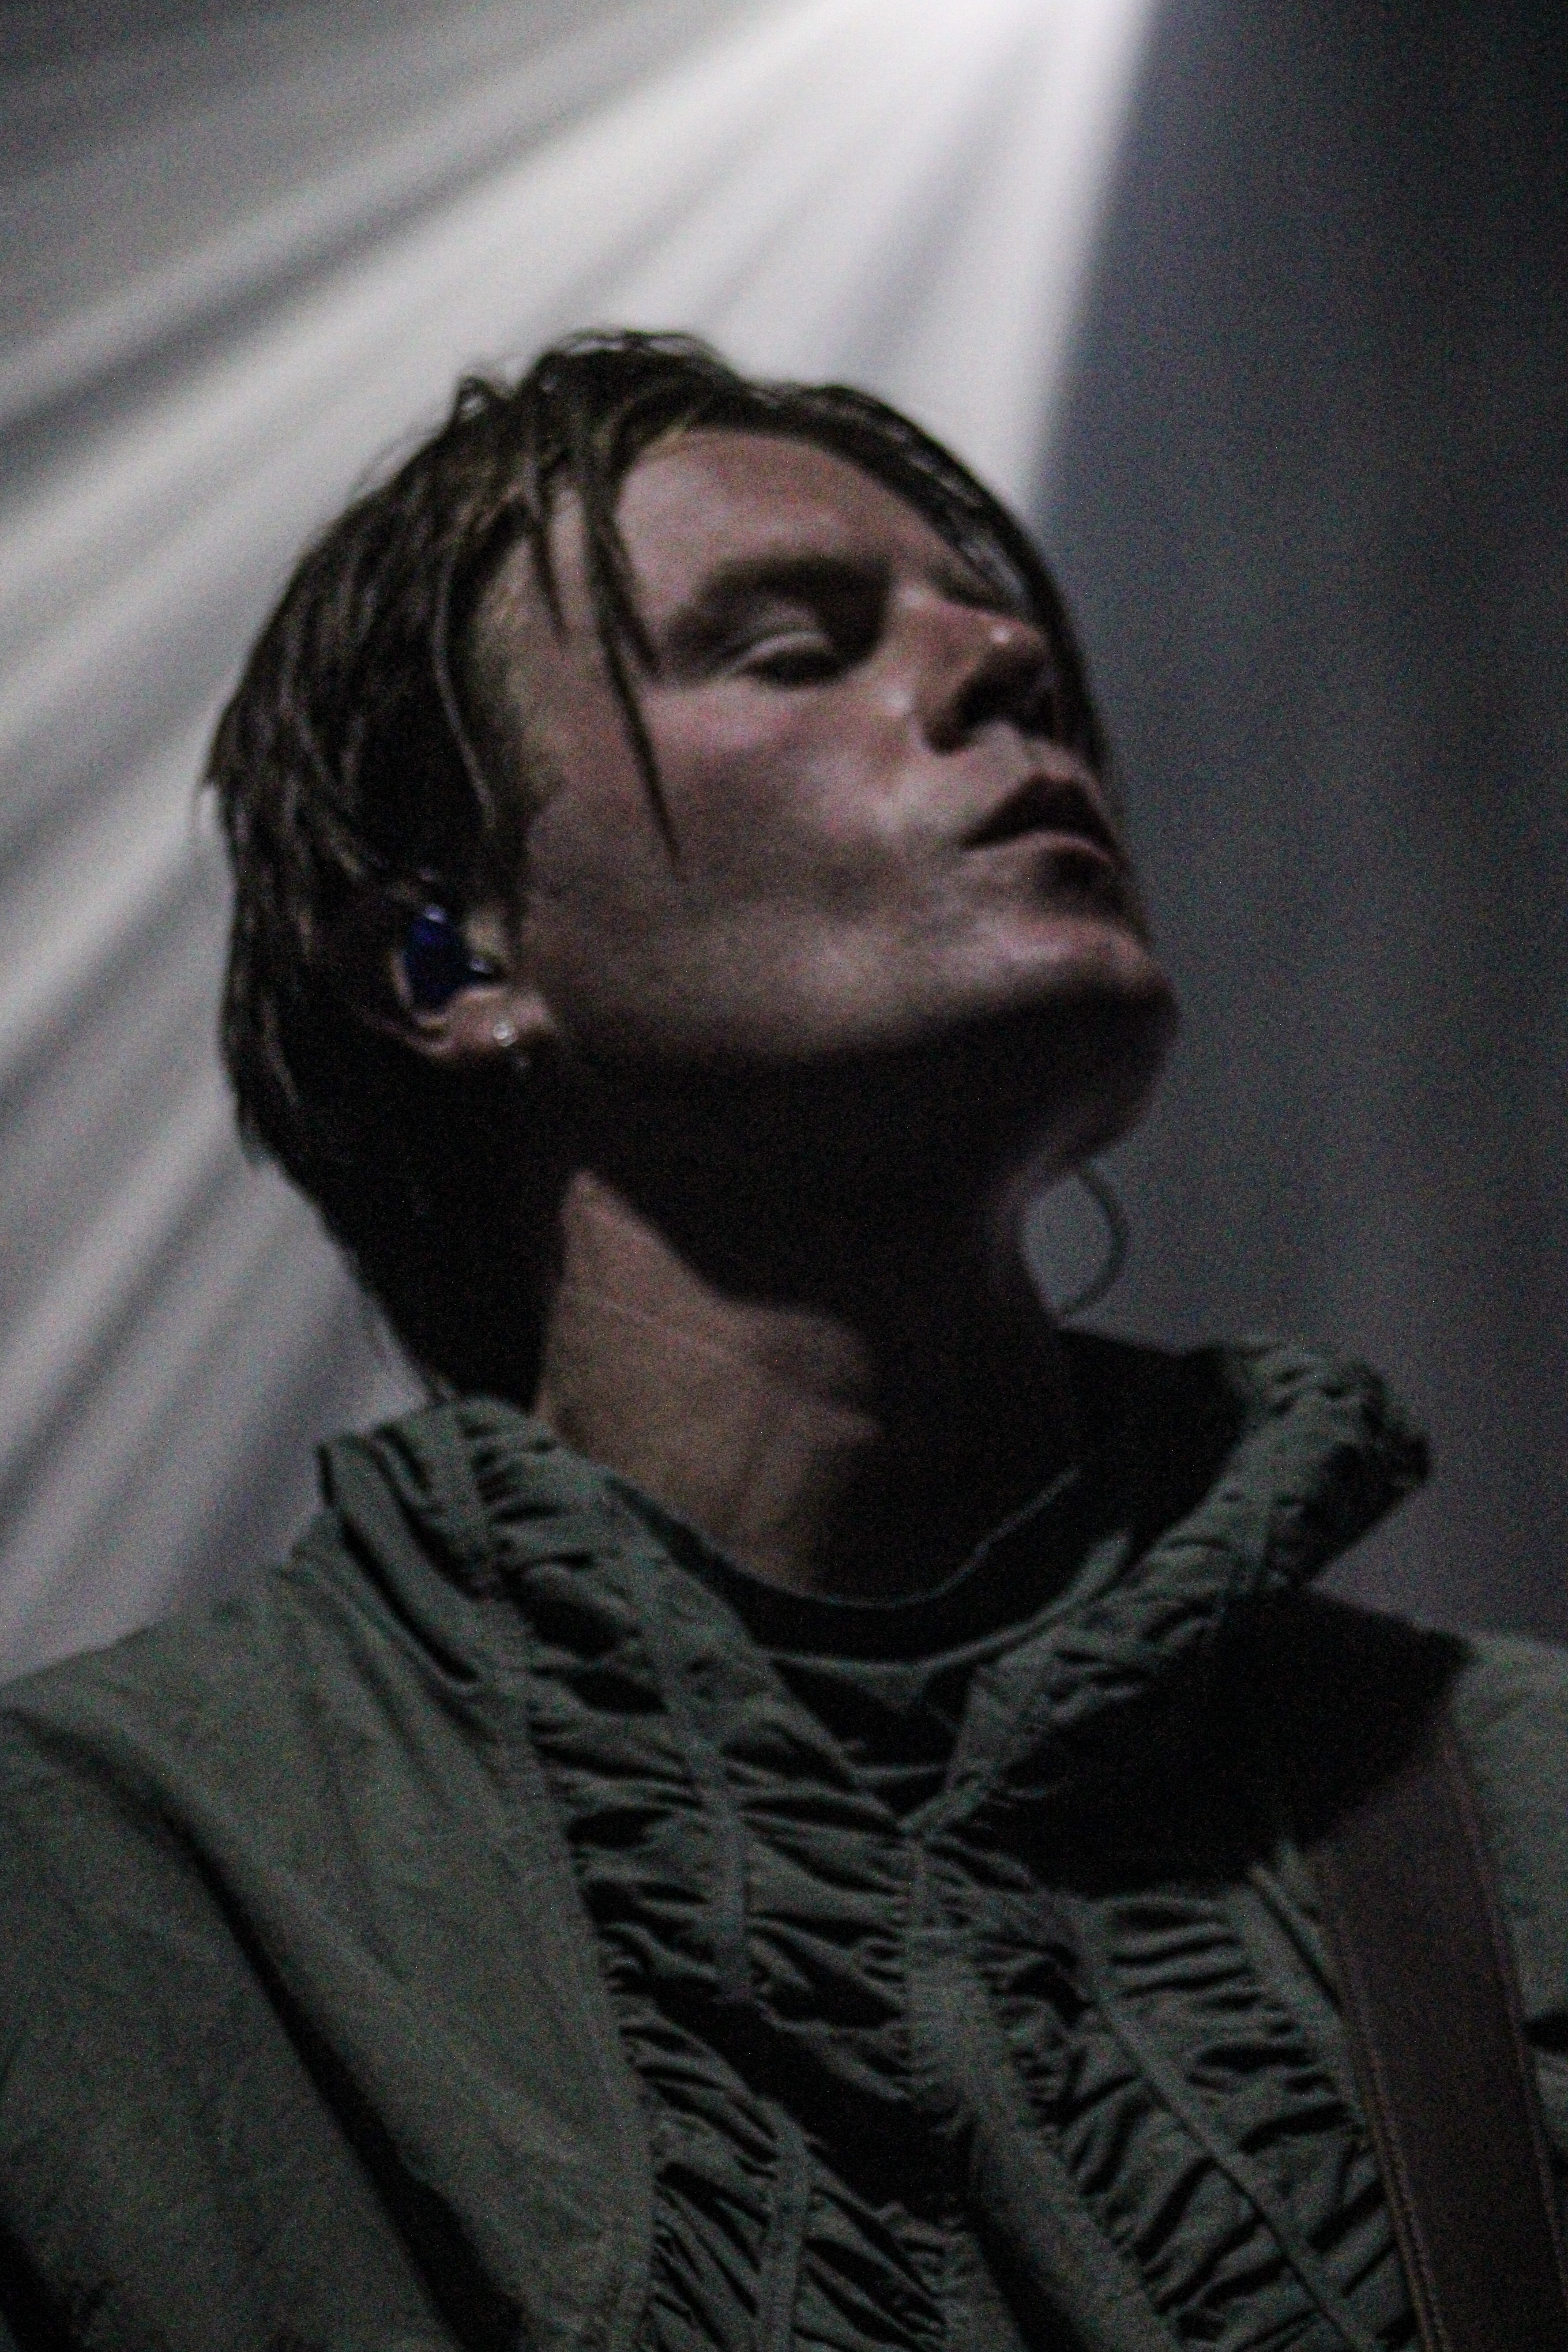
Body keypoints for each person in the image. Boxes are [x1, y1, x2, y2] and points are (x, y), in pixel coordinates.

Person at [0, 330, 1563, 2351]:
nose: (1001, 670)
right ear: (447, 961)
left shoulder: (1501, 1806)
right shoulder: (119, 1900)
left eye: (1009, 637)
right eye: (787, 647)